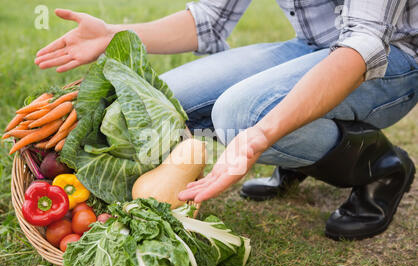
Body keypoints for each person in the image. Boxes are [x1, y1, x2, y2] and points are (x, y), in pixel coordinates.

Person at [35, 1, 417, 241]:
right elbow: (209, 20)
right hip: (311, 48)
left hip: (391, 59)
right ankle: (296, 154)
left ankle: (381, 167)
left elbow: (362, 45)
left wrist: (259, 135)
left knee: (241, 115)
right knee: (169, 99)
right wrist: (110, 34)